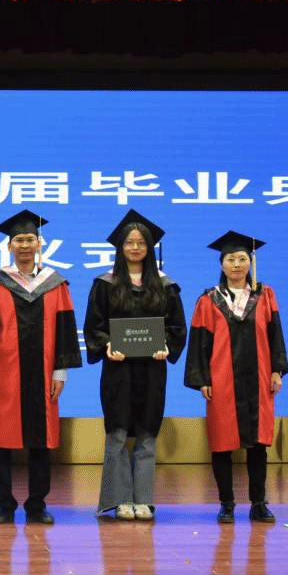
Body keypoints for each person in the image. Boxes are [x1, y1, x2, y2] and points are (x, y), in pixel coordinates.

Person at [0, 209, 82, 525]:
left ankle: (37, 504)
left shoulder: (55, 283)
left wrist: (60, 371)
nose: (24, 245)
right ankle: (4, 504)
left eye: (29, 239)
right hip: (5, 372)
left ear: (39, 244)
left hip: (45, 372)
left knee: (42, 440)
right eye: (18, 240)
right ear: (9, 245)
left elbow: (64, 329)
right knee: (1, 437)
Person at [84, 209, 187, 522]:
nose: (135, 247)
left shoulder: (166, 286)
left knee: (147, 432)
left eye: (141, 242)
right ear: (120, 246)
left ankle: (144, 499)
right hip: (118, 370)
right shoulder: (105, 284)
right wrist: (107, 345)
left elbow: (177, 327)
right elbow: (93, 326)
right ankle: (120, 500)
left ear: (150, 247)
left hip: (152, 370)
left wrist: (167, 346)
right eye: (129, 242)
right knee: (117, 432)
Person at [184, 230, 288, 524]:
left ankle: (259, 503)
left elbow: (275, 334)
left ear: (250, 262)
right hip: (222, 379)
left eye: (242, 259)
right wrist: (202, 378)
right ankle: (226, 504)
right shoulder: (209, 299)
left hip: (259, 377)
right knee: (221, 442)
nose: (237, 265)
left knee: (259, 444)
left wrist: (277, 369)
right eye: (231, 259)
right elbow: (200, 343)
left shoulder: (265, 295)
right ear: (221, 264)